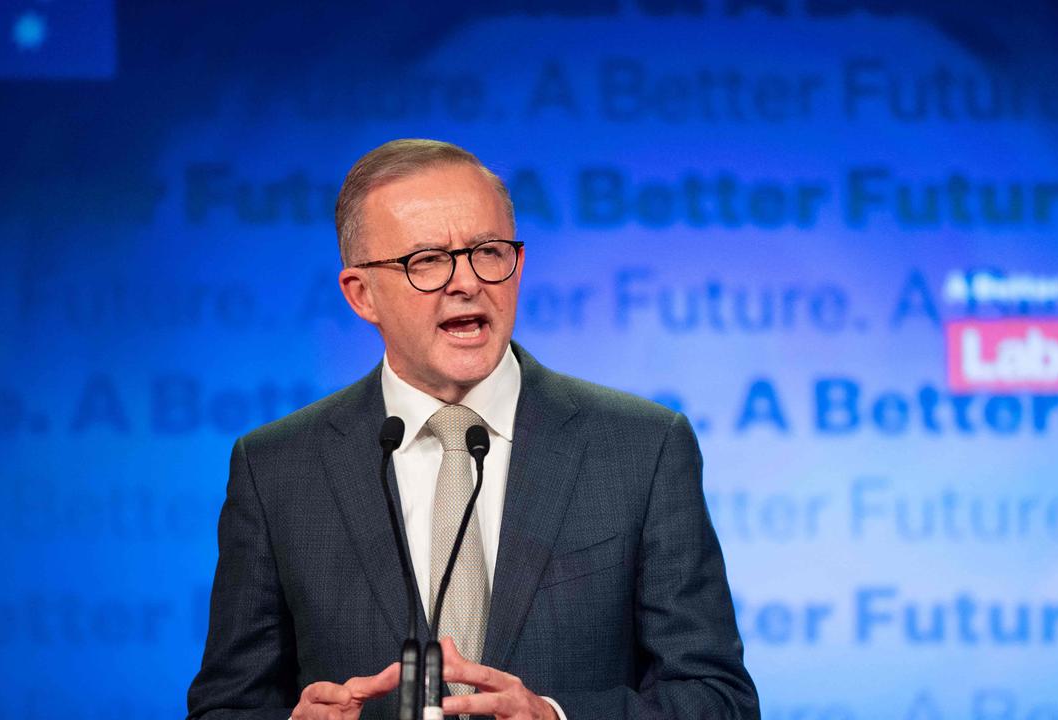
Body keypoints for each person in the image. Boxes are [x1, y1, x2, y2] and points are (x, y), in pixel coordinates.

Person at [185, 139, 758, 720]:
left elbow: (719, 699)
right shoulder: (279, 468)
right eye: (426, 260)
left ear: (519, 264)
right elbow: (225, 706)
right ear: (362, 295)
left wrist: (556, 717)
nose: (466, 282)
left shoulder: (641, 448)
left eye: (487, 251)